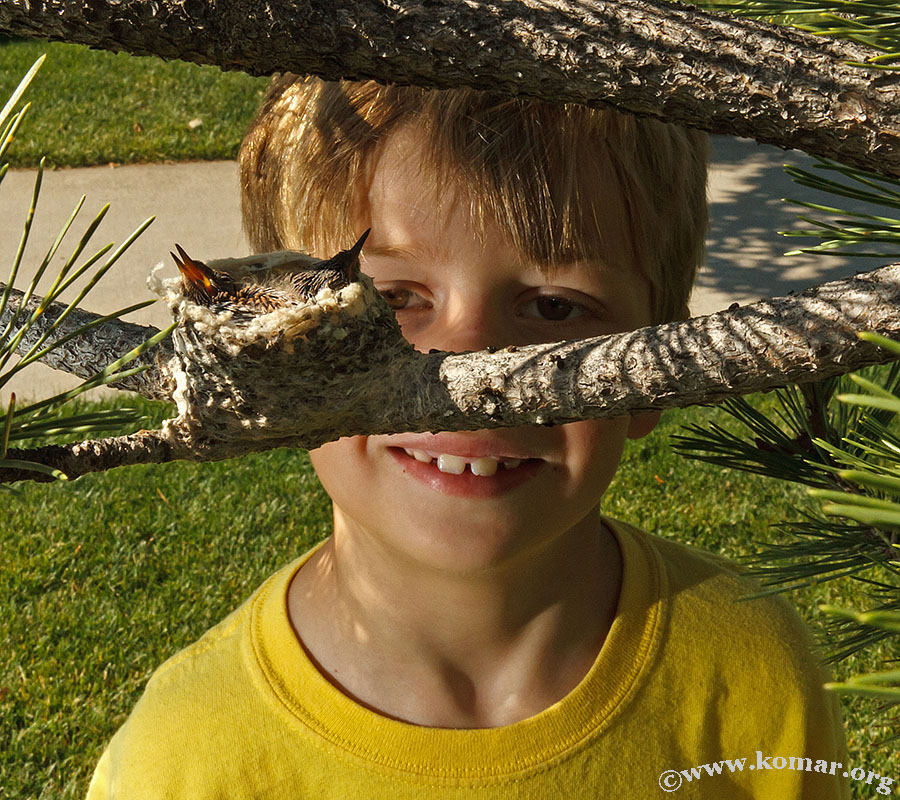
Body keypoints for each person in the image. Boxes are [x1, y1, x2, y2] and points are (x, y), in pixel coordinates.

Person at [87, 76, 849, 798]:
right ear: (270, 352)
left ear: (663, 371)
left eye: (554, 308)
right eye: (391, 300)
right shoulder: (184, 760)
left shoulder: (757, 676)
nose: (470, 375)